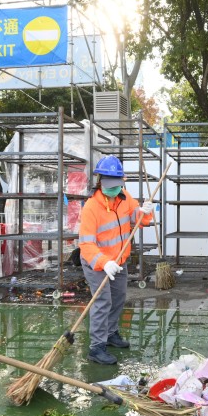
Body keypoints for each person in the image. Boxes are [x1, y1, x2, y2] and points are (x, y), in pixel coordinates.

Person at [77, 155, 154, 365]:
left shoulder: (125, 197)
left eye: (117, 185)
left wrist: (144, 212)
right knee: (102, 301)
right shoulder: (91, 208)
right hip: (97, 262)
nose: (113, 189)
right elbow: (86, 244)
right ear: (100, 181)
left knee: (119, 297)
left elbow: (139, 220)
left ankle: (111, 334)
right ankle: (96, 347)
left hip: (119, 259)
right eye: (109, 185)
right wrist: (103, 262)